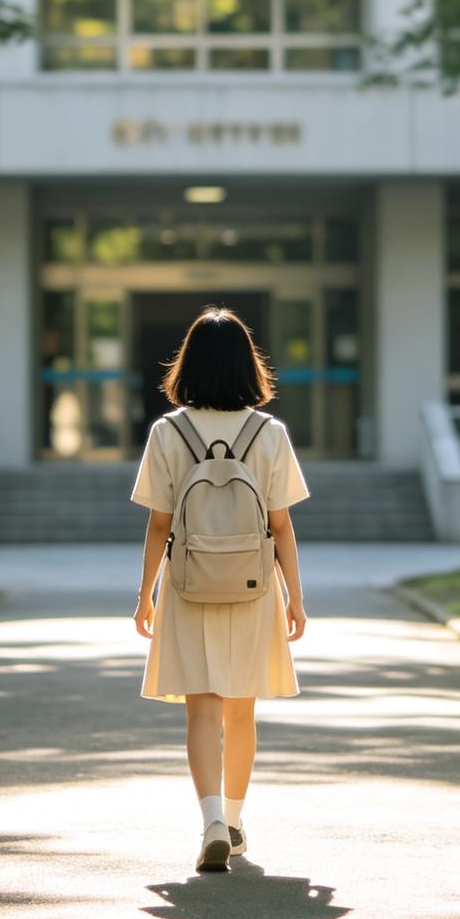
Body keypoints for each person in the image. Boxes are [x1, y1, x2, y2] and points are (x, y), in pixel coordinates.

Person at [131, 305, 309, 873]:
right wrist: (296, 600)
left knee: (201, 710)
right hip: (255, 585)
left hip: (187, 583)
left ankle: (208, 818)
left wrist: (145, 595)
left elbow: (159, 524)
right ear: (246, 365)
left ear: (189, 363)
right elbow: (280, 525)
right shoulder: (269, 433)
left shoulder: (168, 431)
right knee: (241, 709)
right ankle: (233, 820)